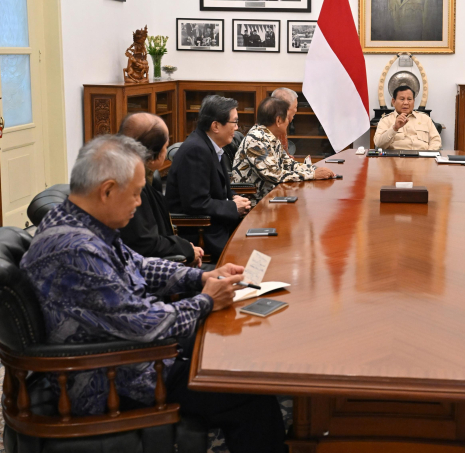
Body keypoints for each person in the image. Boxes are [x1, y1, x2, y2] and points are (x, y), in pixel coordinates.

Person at [20, 135, 285, 453]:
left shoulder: (79, 220)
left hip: (127, 350)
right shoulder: (76, 249)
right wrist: (206, 300)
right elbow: (143, 324)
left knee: (238, 349)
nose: (137, 202)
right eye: (134, 194)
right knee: (249, 391)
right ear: (107, 190)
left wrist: (200, 278)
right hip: (114, 373)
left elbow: (139, 265)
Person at [166, 95, 251, 260]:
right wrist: (232, 207)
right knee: (256, 251)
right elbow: (196, 203)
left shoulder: (209, 145)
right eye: (234, 122)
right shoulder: (196, 151)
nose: (237, 127)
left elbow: (214, 186)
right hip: (204, 233)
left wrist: (234, 197)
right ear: (216, 126)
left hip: (217, 224)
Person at [118, 113, 204, 266]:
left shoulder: (135, 175)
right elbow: (145, 243)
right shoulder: (130, 185)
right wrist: (186, 250)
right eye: (165, 147)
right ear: (151, 154)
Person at [232, 97, 335, 206]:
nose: (289, 121)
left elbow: (288, 164)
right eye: (287, 118)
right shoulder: (256, 139)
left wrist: (315, 169)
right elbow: (273, 174)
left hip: (272, 196)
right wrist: (312, 174)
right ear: (278, 120)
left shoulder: (269, 136)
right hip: (254, 202)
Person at [374, 85, 441, 151]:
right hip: (396, 159)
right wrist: (394, 128)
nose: (406, 103)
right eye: (402, 99)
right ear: (393, 101)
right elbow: (379, 144)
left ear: (414, 101)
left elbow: (436, 140)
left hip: (422, 159)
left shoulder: (425, 118)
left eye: (409, 99)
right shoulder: (385, 120)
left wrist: (428, 155)